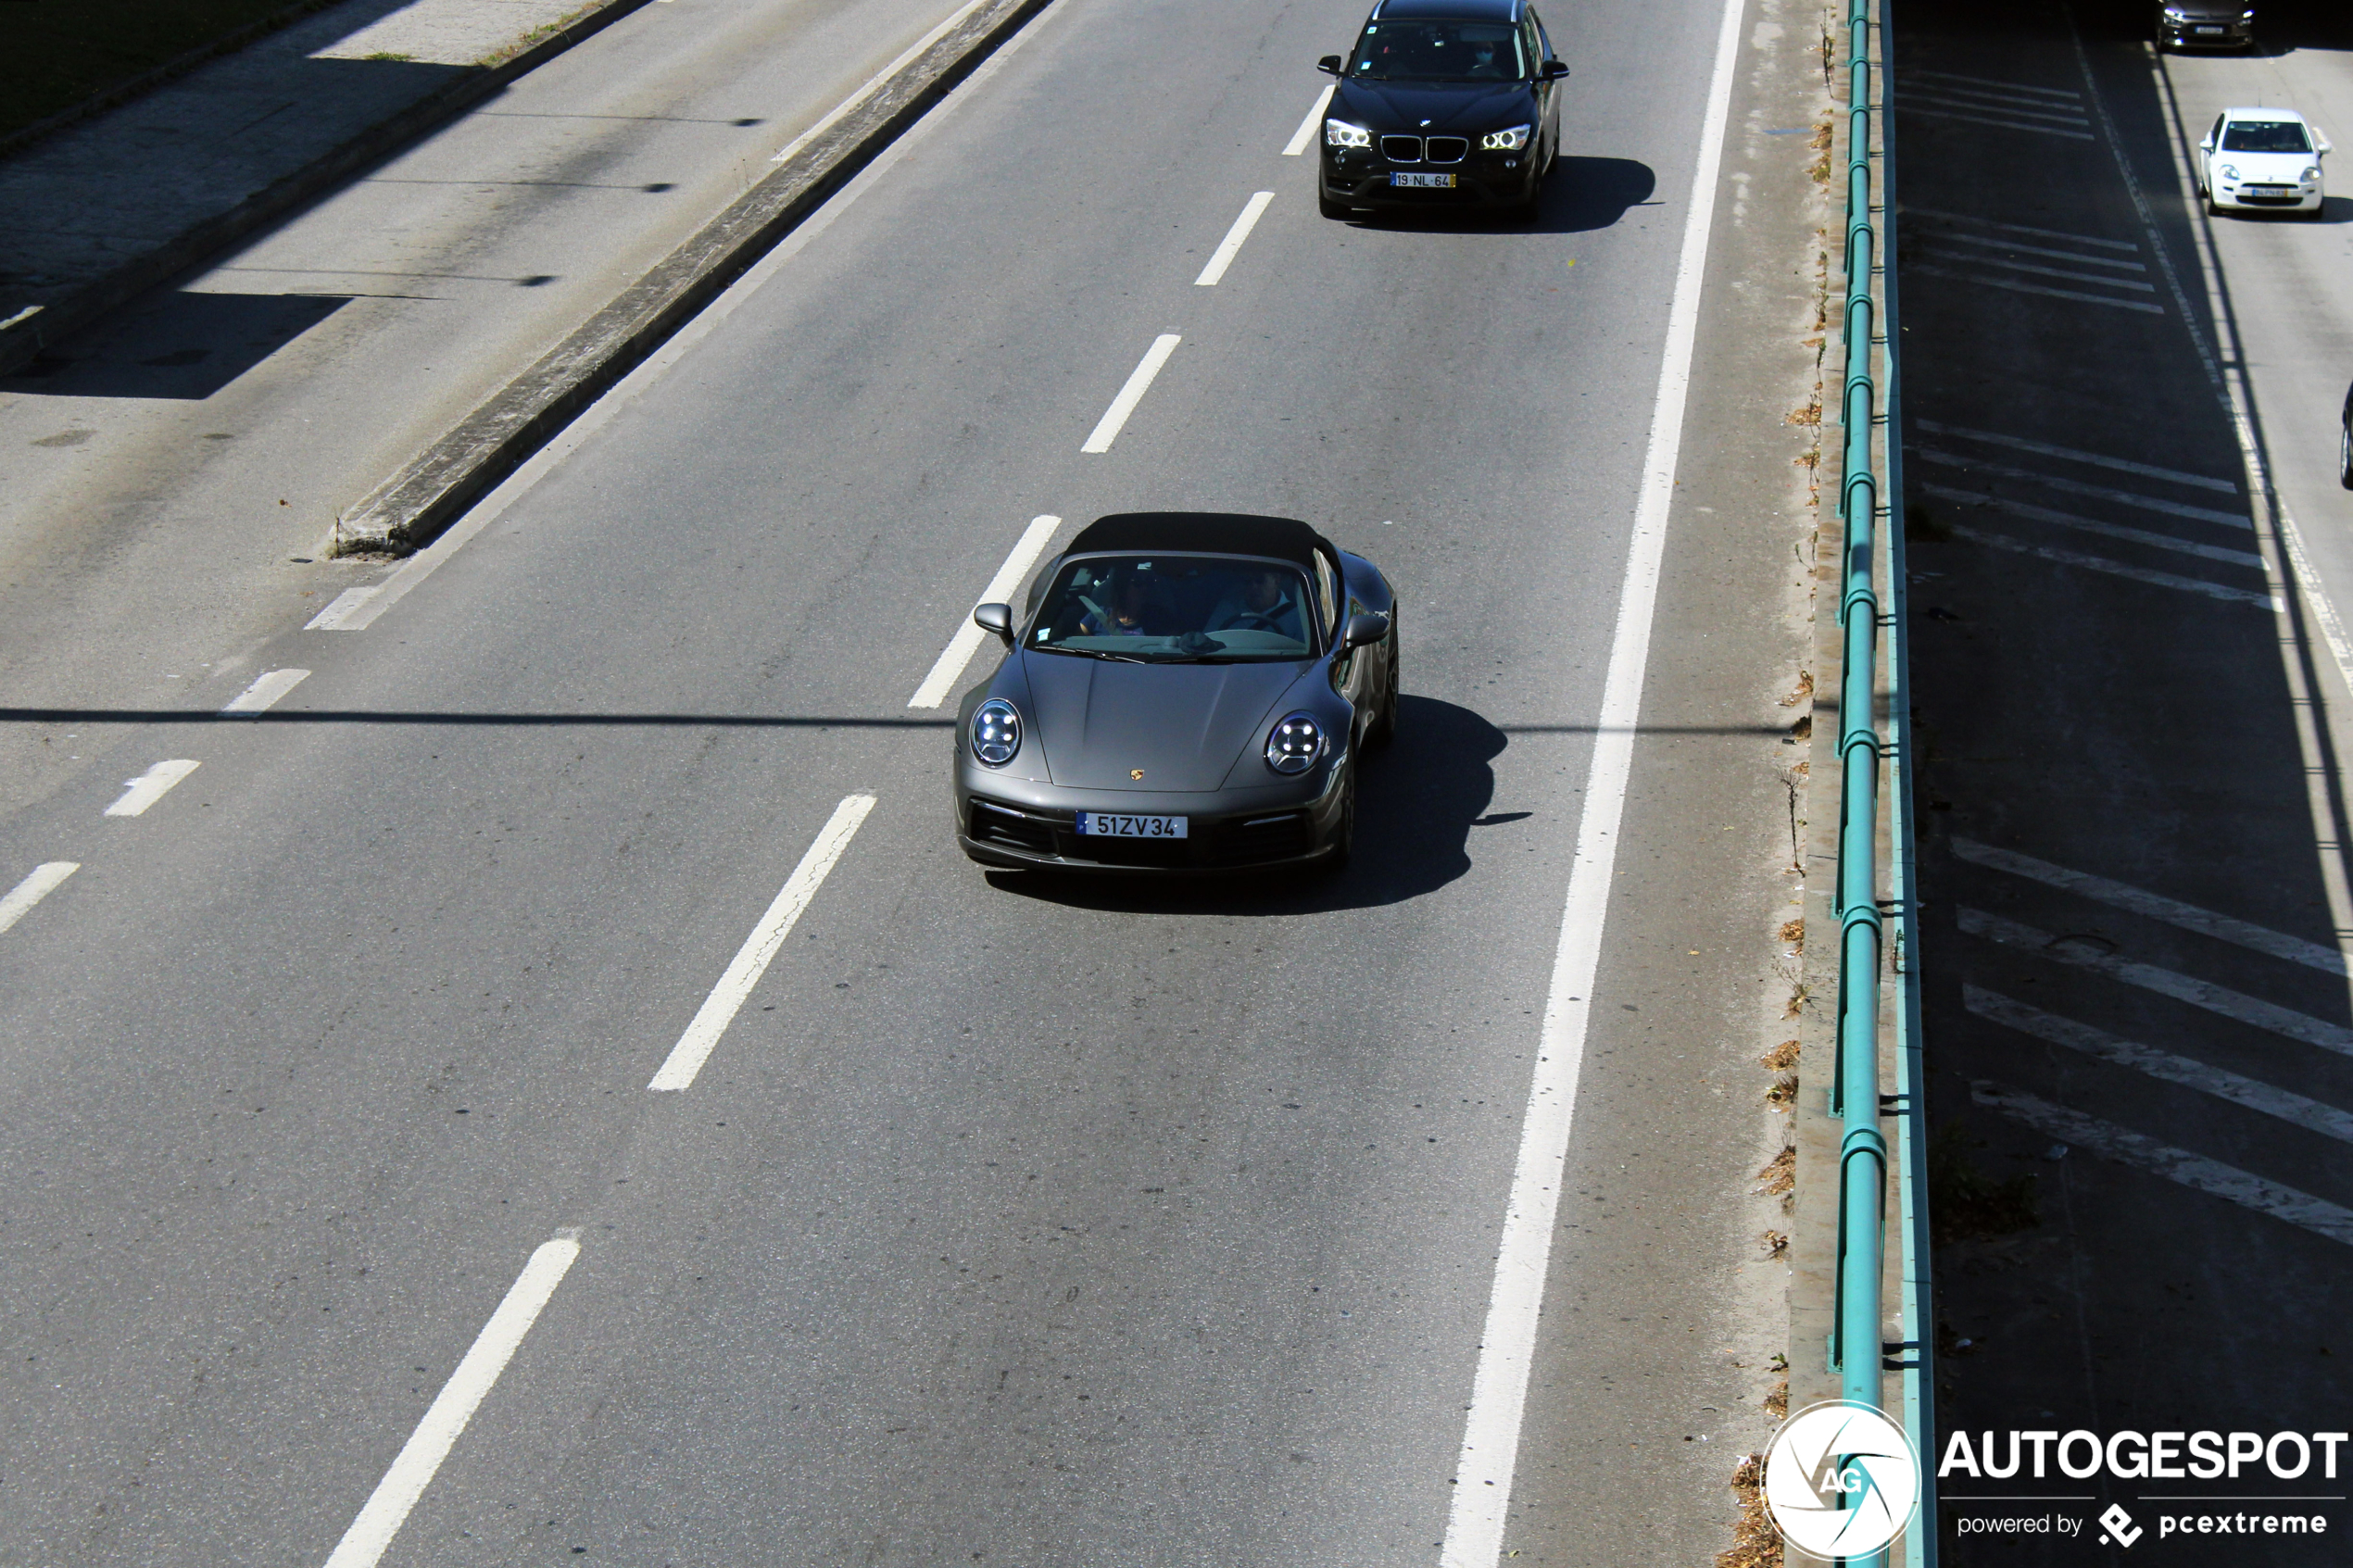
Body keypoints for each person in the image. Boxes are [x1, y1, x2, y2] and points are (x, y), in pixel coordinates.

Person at [1209, 568, 1307, 643]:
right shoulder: (1227, 609)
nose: (1253, 586)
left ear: (1276, 581)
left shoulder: (1299, 616)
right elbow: (1206, 645)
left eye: (1260, 580)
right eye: (1247, 581)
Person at [1079, 574, 1154, 637]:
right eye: (1138, 583)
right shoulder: (1099, 615)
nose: (1145, 588)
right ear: (1123, 587)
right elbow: (1076, 642)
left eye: (1149, 583)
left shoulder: (1156, 620)